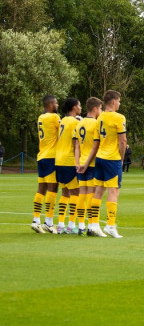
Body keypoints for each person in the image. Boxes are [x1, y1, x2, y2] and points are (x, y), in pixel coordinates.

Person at [79, 90, 127, 238]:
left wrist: (87, 162)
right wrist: (122, 158)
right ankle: (110, 225)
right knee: (113, 191)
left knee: (98, 192)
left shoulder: (99, 118)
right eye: (118, 101)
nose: (119, 104)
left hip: (99, 158)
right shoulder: (119, 117)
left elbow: (96, 143)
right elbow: (123, 141)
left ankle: (93, 224)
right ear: (113, 102)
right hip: (112, 159)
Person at [31, 95, 60, 233]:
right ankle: (48, 222)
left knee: (41, 189)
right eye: (56, 103)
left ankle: (36, 220)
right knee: (53, 189)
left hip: (41, 155)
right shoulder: (54, 117)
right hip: (51, 156)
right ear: (49, 105)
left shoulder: (41, 117)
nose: (58, 105)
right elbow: (64, 129)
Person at [74, 97, 102, 236]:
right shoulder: (96, 124)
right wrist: (85, 164)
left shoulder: (79, 123)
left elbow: (77, 146)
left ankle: (81, 225)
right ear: (95, 108)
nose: (101, 111)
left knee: (82, 194)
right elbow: (96, 147)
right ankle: (92, 225)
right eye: (101, 109)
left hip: (81, 162)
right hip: (91, 163)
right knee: (92, 194)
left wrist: (77, 163)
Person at [54, 97, 82, 234]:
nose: (81, 108)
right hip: (69, 159)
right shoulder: (74, 122)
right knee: (76, 192)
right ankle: (71, 225)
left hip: (58, 159)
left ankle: (60, 225)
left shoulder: (63, 120)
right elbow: (76, 142)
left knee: (64, 192)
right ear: (74, 108)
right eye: (79, 105)